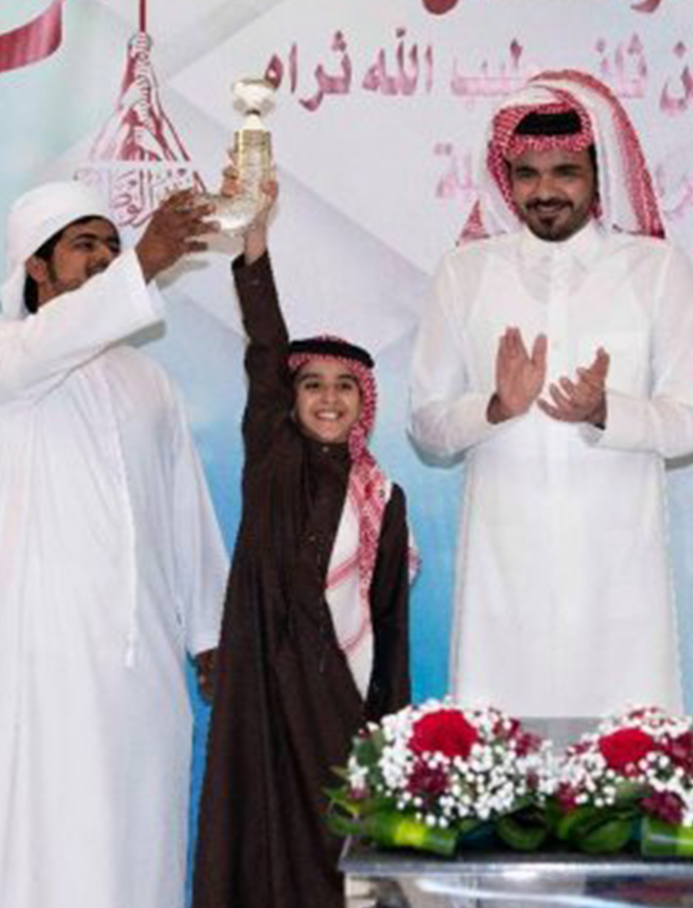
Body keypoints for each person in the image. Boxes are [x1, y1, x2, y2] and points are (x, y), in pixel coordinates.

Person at [0, 180, 228, 908]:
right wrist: (147, 260)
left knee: (138, 836)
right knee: (44, 841)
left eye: (113, 245)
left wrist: (208, 631)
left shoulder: (148, 380)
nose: (107, 258)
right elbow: (53, 342)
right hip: (36, 651)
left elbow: (184, 508)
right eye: (86, 246)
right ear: (35, 269)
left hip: (139, 657)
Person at [408, 69, 693, 717]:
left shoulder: (656, 269)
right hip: (505, 568)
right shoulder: (465, 273)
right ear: (504, 179)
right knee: (502, 763)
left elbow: (687, 425)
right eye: (527, 174)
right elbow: (426, 424)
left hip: (620, 568)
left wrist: (606, 411)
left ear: (598, 175)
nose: (545, 192)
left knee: (624, 760)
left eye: (565, 171)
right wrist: (495, 407)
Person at [193, 172, 415, 908]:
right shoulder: (273, 454)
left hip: (340, 694)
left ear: (363, 403)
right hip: (264, 681)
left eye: (342, 386)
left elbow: (390, 620)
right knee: (261, 833)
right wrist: (254, 239)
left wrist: (387, 729)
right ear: (289, 402)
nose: (326, 396)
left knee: (337, 842)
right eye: (311, 384)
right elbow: (266, 346)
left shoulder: (383, 498)